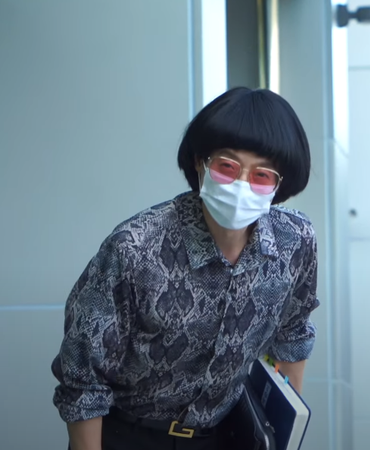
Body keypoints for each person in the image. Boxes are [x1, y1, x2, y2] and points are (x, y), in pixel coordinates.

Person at [51, 87, 320, 450]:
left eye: (262, 175)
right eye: (227, 167)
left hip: (226, 435)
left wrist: (283, 436)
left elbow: (293, 336)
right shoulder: (135, 247)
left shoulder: (295, 241)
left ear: (280, 183)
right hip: (128, 435)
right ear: (199, 162)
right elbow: (83, 379)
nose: (242, 185)